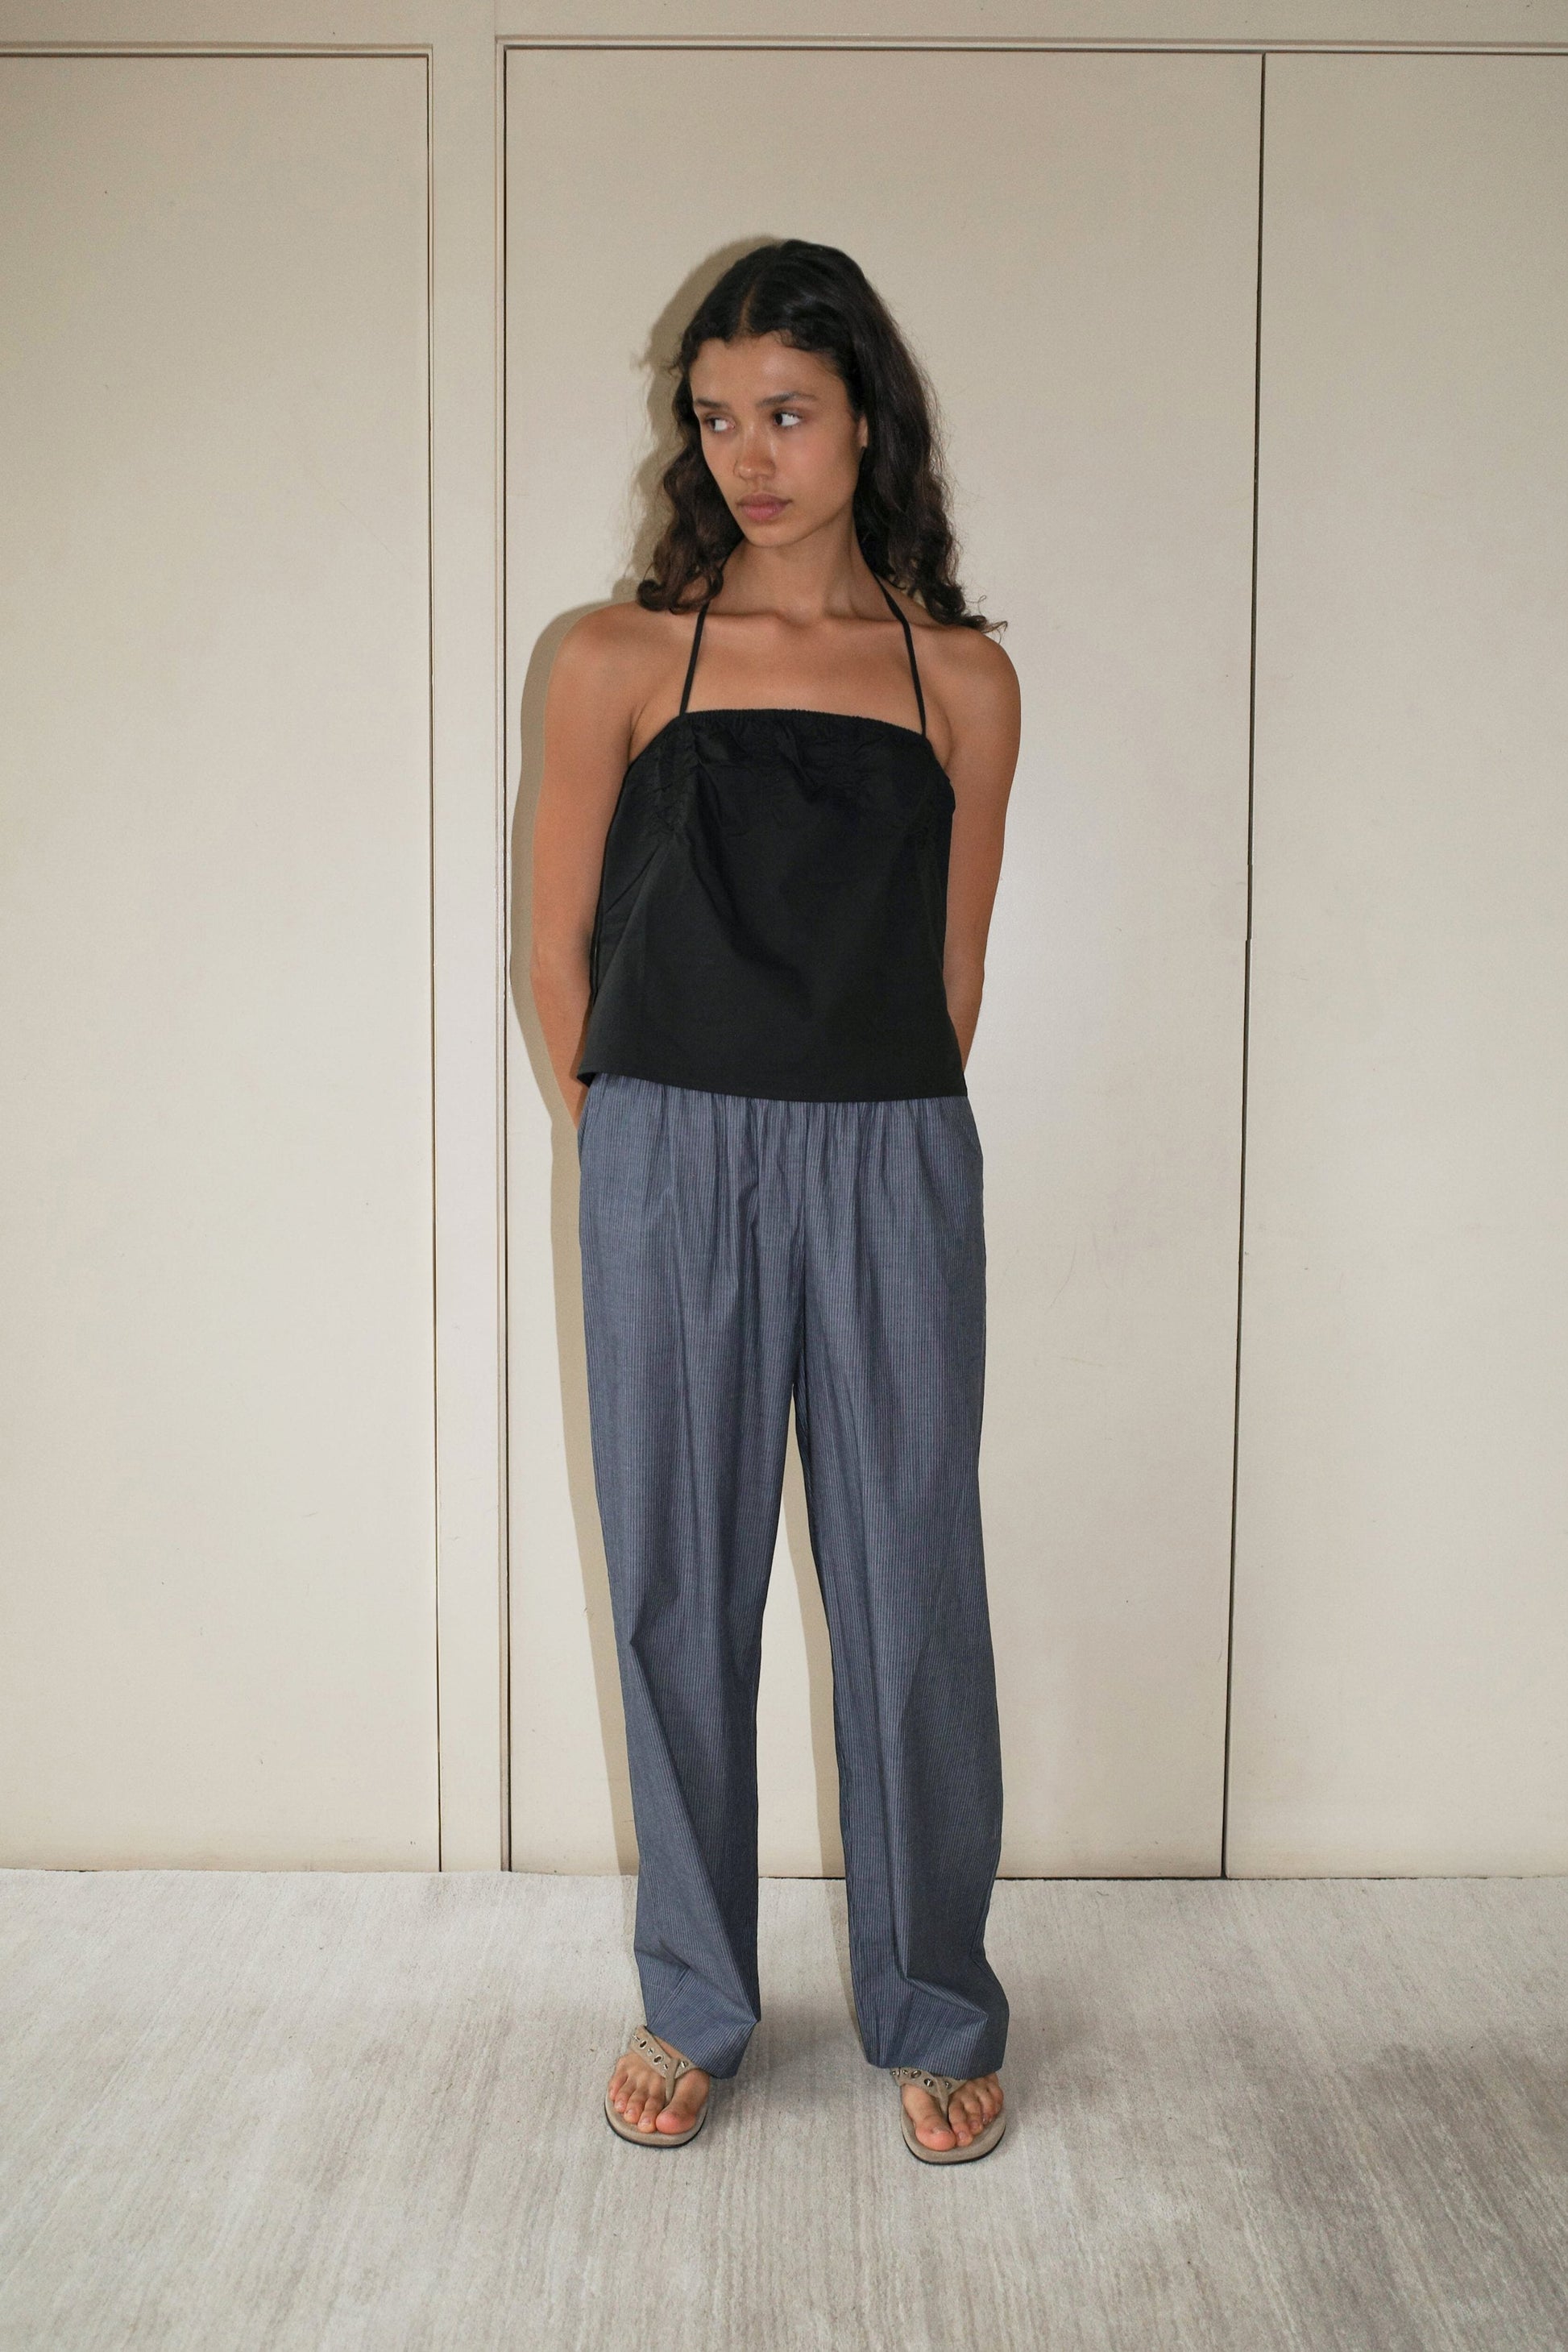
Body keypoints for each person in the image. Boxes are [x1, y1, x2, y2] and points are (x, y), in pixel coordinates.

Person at [529, 239, 1020, 2163]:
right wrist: (635, 1136)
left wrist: (861, 1120)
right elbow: (552, 950)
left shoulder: (958, 678)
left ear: (867, 414)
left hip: (889, 1140)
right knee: (676, 1579)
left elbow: (953, 971)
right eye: (716, 416)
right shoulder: (618, 655)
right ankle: (695, 1999)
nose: (750, 452)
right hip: (665, 1142)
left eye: (788, 413)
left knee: (911, 1583)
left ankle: (934, 1996)